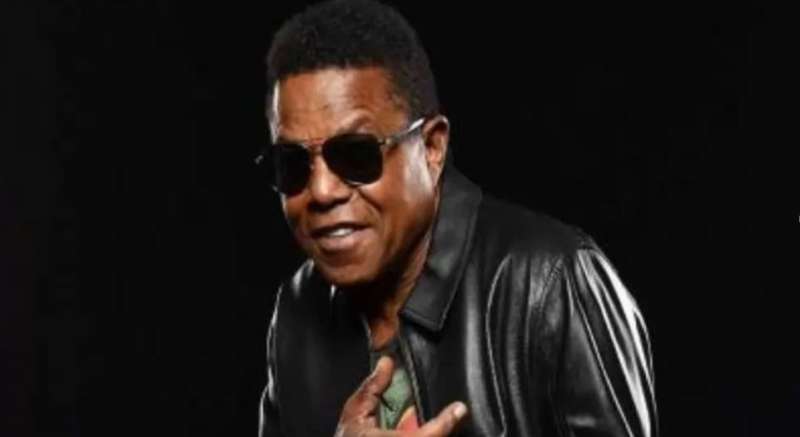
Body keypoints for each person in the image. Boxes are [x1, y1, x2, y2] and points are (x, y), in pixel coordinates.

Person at [257, 1, 657, 436]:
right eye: (292, 163)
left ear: (432, 147)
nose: (321, 191)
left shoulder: (551, 284)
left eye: (356, 155)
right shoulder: (296, 312)